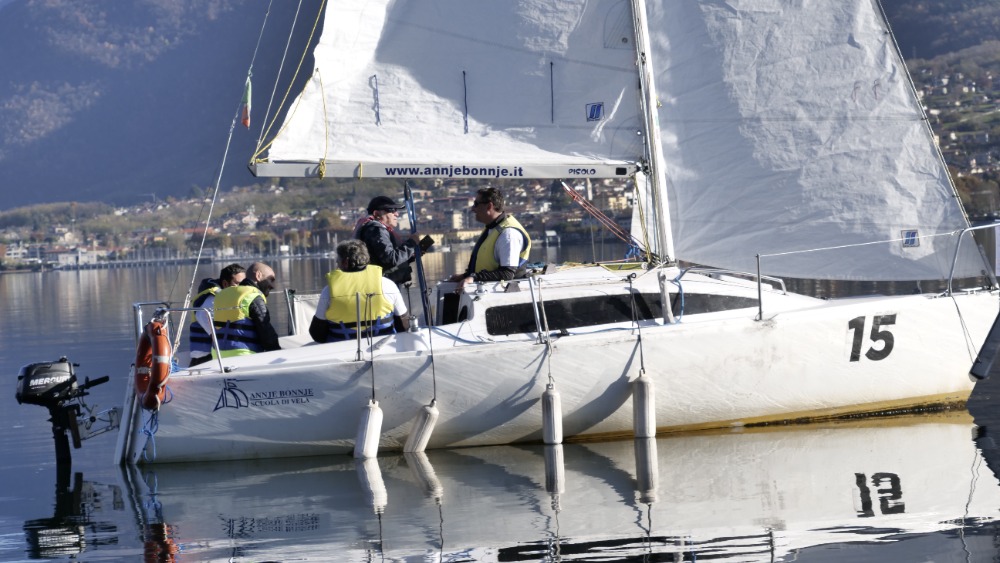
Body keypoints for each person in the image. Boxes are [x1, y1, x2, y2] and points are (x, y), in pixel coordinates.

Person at [309, 240, 409, 343]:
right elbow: (404, 325)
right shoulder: (388, 285)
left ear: (345, 262)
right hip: (382, 347)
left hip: (340, 348)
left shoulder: (328, 291)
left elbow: (317, 334)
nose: (337, 265)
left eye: (337, 261)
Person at [449, 186, 532, 293]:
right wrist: (465, 276)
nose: (472, 209)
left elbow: (507, 274)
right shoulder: (493, 228)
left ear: (489, 206)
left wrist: (474, 278)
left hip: (503, 294)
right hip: (487, 290)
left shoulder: (509, 234)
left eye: (476, 204)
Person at [211, 262, 281, 357]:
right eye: (271, 279)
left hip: (218, 355)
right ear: (258, 275)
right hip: (243, 355)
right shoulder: (252, 296)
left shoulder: (221, 295)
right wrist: (277, 353)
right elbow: (266, 332)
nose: (273, 286)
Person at [354, 195, 422, 284]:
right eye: (391, 210)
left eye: (396, 210)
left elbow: (385, 259)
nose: (396, 214)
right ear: (377, 214)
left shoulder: (371, 229)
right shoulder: (376, 230)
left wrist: (411, 255)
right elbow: (390, 259)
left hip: (379, 282)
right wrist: (411, 243)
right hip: (381, 285)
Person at [189, 263, 246, 366]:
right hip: (204, 361)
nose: (241, 288)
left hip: (214, 357)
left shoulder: (223, 300)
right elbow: (216, 335)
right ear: (225, 284)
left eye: (244, 284)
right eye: (237, 283)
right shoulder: (212, 300)